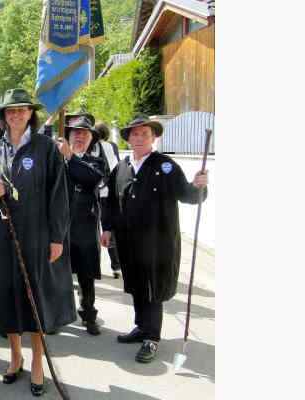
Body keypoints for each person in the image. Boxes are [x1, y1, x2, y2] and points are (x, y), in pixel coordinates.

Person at [0, 89, 74, 397]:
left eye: (22, 110)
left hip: (37, 236)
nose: (16, 115)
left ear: (30, 113)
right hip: (2, 237)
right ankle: (15, 356)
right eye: (10, 111)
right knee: (8, 296)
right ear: (3, 115)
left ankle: (36, 362)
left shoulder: (45, 148)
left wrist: (57, 237)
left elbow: (59, 195)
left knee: (35, 298)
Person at [101, 115, 209, 363]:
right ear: (128, 138)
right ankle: (141, 327)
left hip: (157, 243)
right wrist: (107, 229)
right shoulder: (122, 167)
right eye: (135, 134)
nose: (139, 138)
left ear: (153, 138)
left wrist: (199, 185)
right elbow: (111, 203)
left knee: (152, 289)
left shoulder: (165, 165)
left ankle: (152, 338)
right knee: (137, 286)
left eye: (145, 134)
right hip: (129, 243)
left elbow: (188, 195)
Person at [58, 114, 107, 336]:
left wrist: (71, 159)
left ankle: (88, 315)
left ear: (90, 140)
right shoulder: (56, 159)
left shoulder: (95, 162)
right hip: (60, 227)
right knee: (58, 273)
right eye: (75, 132)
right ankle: (57, 315)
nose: (79, 136)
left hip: (85, 228)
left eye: (84, 133)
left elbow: (92, 178)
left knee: (86, 277)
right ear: (67, 136)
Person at [93, 121, 123, 279]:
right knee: (109, 229)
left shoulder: (94, 147)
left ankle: (93, 264)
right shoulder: (113, 146)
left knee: (94, 230)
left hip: (96, 192)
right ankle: (116, 266)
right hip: (109, 192)